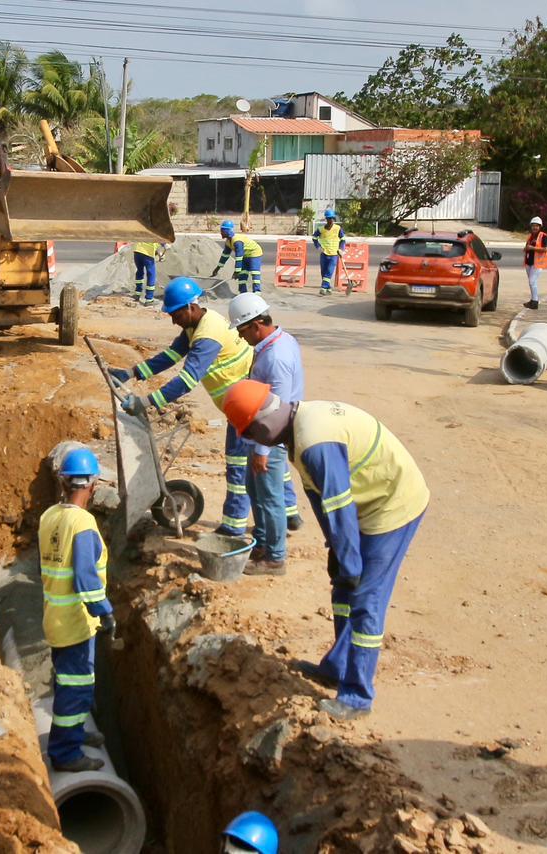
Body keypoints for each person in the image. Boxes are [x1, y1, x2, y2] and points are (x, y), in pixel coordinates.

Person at [222, 380, 429, 721]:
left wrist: (350, 561)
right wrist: (336, 549)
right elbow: (322, 502)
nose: (257, 441)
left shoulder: (315, 441)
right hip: (367, 503)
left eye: (253, 433)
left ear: (261, 422)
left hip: (393, 504)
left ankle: (357, 696)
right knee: (343, 583)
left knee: (366, 597)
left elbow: (339, 505)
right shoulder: (297, 433)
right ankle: (337, 667)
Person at [109, 277, 254, 536]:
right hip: (240, 403)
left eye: (175, 314)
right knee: (267, 461)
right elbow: (170, 357)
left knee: (238, 464)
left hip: (246, 407)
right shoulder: (194, 326)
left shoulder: (207, 335)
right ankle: (288, 515)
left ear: (190, 308)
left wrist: (146, 402)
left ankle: (234, 528)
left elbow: (187, 381)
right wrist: (131, 372)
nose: (173, 320)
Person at [40, 447, 114, 773]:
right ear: (92, 486)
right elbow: (86, 577)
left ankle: (76, 731)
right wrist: (105, 611)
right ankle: (66, 753)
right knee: (76, 687)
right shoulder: (83, 524)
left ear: (64, 482)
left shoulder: (49, 517)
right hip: (75, 623)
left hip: (54, 618)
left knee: (68, 683)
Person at [227, 293, 305, 575]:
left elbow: (276, 411)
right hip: (259, 435)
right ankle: (262, 544)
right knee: (256, 493)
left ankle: (275, 557)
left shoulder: (276, 358)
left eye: (241, 330)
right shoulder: (276, 342)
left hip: (269, 439)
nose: (240, 336)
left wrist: (262, 451)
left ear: (256, 324)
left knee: (270, 498)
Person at [212, 219, 264, 294]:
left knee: (254, 272)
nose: (221, 233)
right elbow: (225, 256)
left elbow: (239, 257)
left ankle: (257, 292)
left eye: (222, 231)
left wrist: (236, 271)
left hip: (254, 253)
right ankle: (243, 292)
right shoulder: (228, 242)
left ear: (228, 231)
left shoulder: (237, 241)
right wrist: (217, 269)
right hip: (245, 255)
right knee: (243, 274)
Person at [312, 208, 346, 296]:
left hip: (334, 254)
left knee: (329, 271)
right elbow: (314, 238)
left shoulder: (338, 228)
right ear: (326, 219)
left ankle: (323, 287)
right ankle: (328, 288)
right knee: (324, 272)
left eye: (331, 218)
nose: (330, 220)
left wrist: (341, 249)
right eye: (328, 218)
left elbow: (343, 239)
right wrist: (318, 247)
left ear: (333, 219)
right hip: (324, 253)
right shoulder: (321, 229)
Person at [132, 241, 168, 306]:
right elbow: (160, 241)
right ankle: (149, 299)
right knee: (151, 275)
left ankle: (137, 294)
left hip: (137, 252)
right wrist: (165, 244)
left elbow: (155, 248)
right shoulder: (158, 234)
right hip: (147, 255)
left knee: (139, 272)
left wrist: (160, 255)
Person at [524, 216, 547, 310]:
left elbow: (545, 249)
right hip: (529, 263)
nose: (535, 228)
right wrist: (526, 248)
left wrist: (532, 248)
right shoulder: (531, 236)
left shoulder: (543, 236)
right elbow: (528, 247)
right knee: (531, 283)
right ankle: (533, 300)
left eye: (537, 226)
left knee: (532, 281)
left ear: (540, 227)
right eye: (533, 226)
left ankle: (535, 302)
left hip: (538, 264)